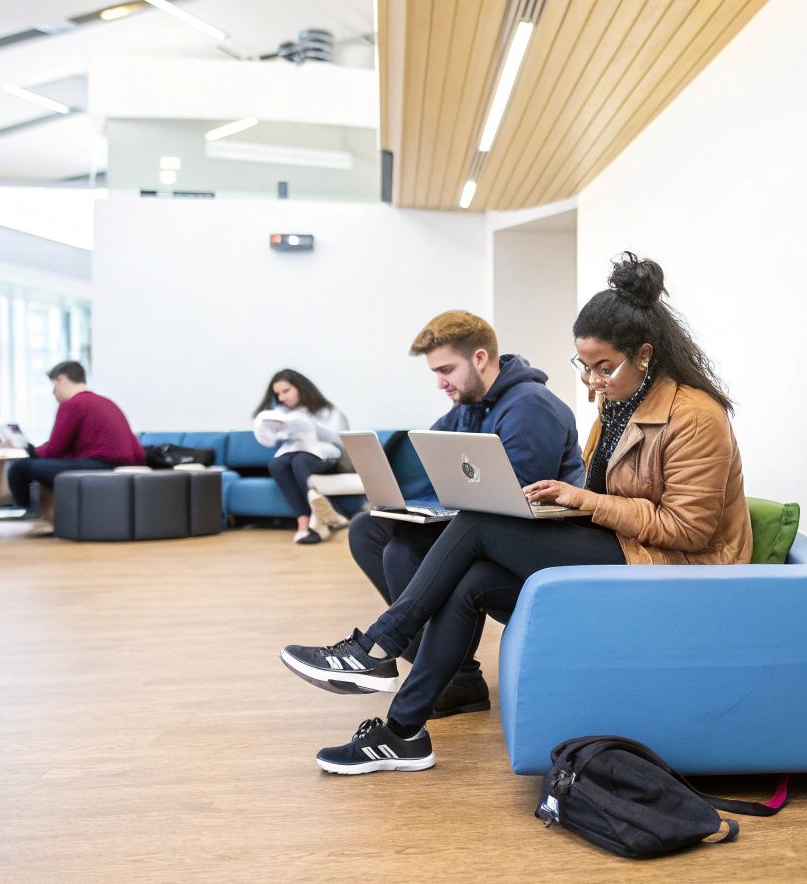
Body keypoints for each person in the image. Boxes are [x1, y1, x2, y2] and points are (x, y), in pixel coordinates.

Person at [281, 254, 751, 774]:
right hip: (628, 551)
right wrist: (562, 500)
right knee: (471, 581)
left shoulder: (696, 416)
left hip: (676, 576)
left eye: (604, 367)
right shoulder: (621, 403)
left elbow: (689, 530)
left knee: (479, 522)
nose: (592, 382)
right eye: (585, 367)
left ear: (645, 355)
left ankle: (375, 646)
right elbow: (602, 489)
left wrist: (584, 500)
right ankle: (402, 732)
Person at [346, 310, 583, 719]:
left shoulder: (531, 407)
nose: (440, 383)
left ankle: (451, 676)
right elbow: (432, 463)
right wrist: (397, 498)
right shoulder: (468, 406)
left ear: (478, 358)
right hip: (487, 527)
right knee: (370, 531)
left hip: (535, 540)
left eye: (445, 370)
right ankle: (450, 674)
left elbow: (511, 502)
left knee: (402, 553)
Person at [8, 361, 144, 535]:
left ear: (61, 379)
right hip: (123, 465)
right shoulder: (107, 402)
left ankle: (32, 514)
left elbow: (54, 450)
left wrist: (28, 450)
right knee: (42, 464)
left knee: (21, 467)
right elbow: (136, 450)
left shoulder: (73, 404)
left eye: (54, 387)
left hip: (100, 464)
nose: (54, 394)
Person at [254, 369, 350, 545]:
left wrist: (310, 426)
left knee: (300, 461)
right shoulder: (281, 413)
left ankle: (315, 523)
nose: (281, 398)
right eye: (278, 394)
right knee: (276, 464)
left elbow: (341, 440)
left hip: (325, 455)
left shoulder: (328, 411)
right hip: (295, 452)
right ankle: (304, 520)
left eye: (286, 391)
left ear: (300, 388)